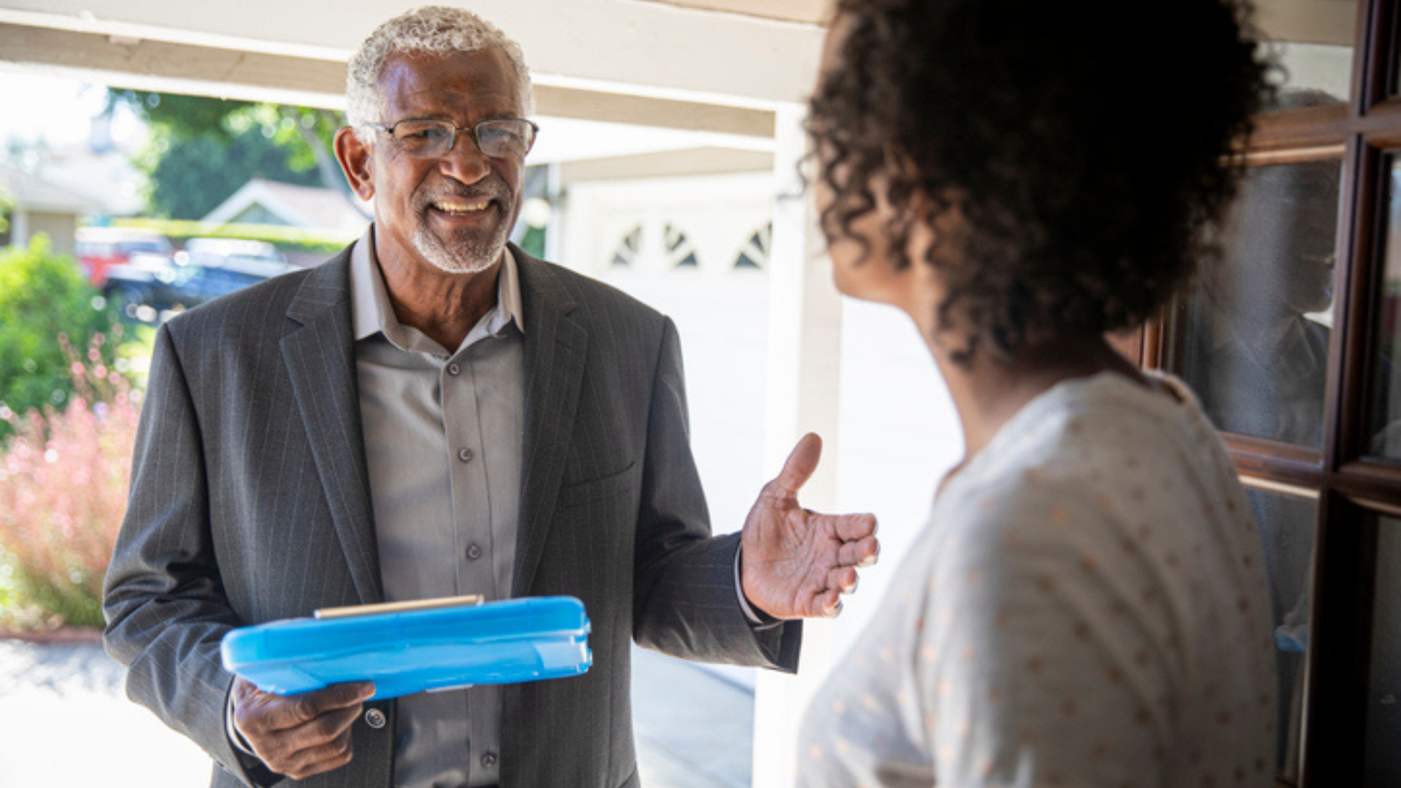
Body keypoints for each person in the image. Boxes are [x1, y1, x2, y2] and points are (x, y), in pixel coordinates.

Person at [102, 7, 878, 788]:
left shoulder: (626, 342)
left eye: (497, 132)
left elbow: (650, 573)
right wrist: (233, 704)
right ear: (360, 161)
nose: (468, 166)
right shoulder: (214, 354)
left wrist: (745, 580)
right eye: (425, 132)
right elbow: (147, 599)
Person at [796, 1, 1278, 786]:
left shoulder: (1021, 533)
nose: (814, 152)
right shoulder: (1161, 420)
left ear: (923, 168)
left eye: (835, 111)